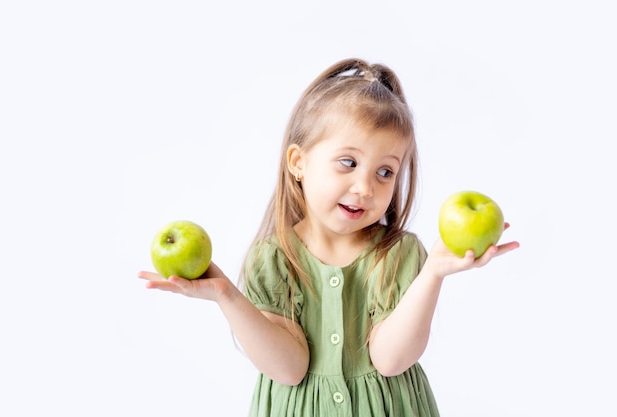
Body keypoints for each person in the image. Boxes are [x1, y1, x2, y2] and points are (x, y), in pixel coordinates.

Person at [138, 58, 520, 417]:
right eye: (349, 163)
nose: (365, 187)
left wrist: (432, 273)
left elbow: (390, 359)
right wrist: (226, 295)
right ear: (298, 163)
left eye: (385, 172)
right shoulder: (273, 258)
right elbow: (288, 368)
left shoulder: (399, 253)